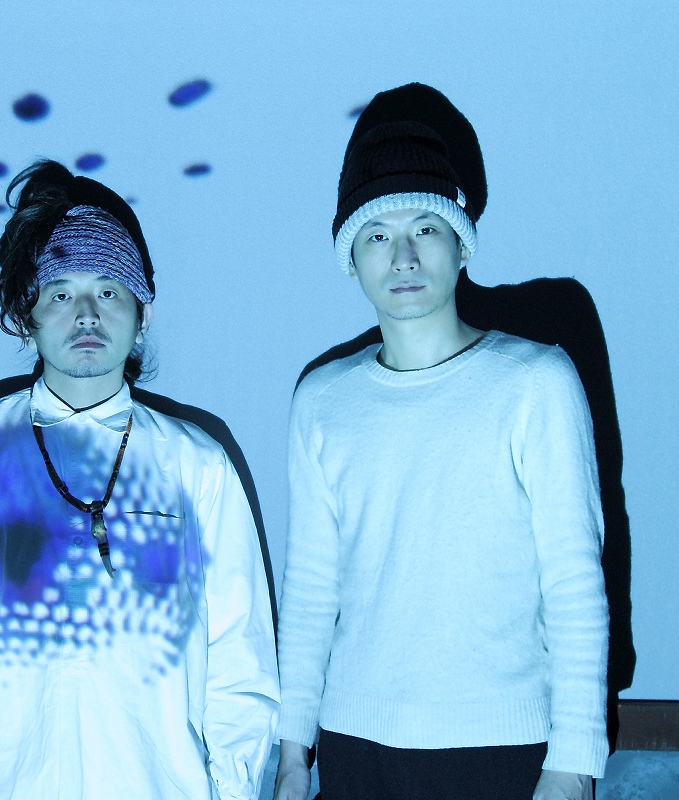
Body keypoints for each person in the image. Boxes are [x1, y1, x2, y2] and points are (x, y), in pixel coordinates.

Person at [0, 160, 280, 800]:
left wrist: (232, 788)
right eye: (61, 293)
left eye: (109, 291)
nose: (87, 315)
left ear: (143, 312)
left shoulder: (199, 465)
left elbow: (240, 659)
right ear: (28, 311)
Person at [273, 84, 609, 800]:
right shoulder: (322, 400)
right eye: (376, 234)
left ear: (461, 243)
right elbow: (309, 592)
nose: (403, 256)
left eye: (425, 226)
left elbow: (575, 584)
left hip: (502, 749)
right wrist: (293, 752)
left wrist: (574, 763)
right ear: (351, 256)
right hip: (355, 749)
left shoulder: (536, 382)